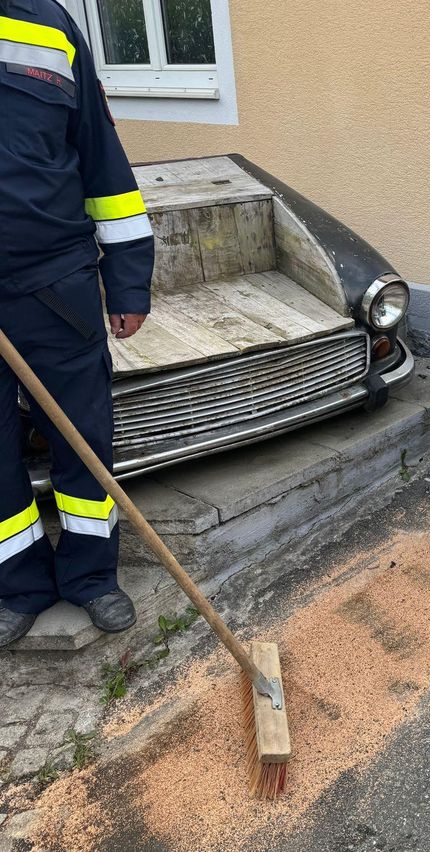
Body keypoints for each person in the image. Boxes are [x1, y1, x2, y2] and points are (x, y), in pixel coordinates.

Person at [0, 0, 155, 647]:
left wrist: (128, 280)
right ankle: (19, 586)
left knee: (83, 438)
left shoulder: (47, 22)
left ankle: (91, 577)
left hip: (55, 286)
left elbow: (101, 158)